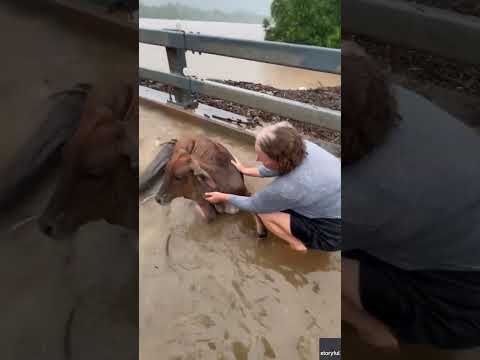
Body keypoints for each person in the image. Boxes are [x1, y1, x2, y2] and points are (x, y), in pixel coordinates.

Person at [341, 41, 480, 350]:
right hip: (456, 225)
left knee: (320, 267)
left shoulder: (357, 198)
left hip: (460, 303)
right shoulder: (391, 99)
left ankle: (362, 337)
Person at [204, 121, 341, 252]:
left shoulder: (287, 189)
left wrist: (223, 196)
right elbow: (275, 167)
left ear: (277, 160)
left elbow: (253, 204)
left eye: (261, 156)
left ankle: (296, 244)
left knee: (265, 212)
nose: (257, 159)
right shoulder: (303, 146)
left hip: (332, 234)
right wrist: (245, 170)